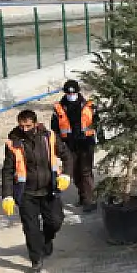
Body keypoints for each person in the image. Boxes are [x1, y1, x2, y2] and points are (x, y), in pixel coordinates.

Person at [1, 109, 72, 273]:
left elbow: (67, 156)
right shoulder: (14, 143)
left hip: (49, 190)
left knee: (56, 221)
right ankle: (36, 261)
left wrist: (66, 175)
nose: (24, 129)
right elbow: (7, 171)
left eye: (28, 126)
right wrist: (8, 195)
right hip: (27, 194)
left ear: (35, 123)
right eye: (21, 126)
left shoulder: (49, 137)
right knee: (31, 229)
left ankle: (46, 240)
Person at [51, 79, 98, 212]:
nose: (71, 95)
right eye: (68, 93)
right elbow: (55, 129)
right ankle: (82, 197)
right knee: (75, 172)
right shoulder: (58, 108)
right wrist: (59, 146)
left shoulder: (89, 106)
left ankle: (89, 200)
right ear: (65, 93)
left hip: (86, 143)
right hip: (69, 145)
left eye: (74, 93)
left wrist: (98, 138)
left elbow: (97, 124)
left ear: (78, 92)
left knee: (86, 171)